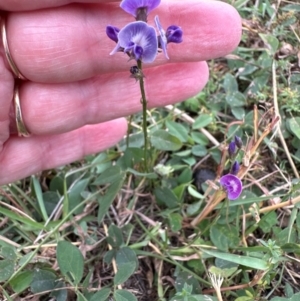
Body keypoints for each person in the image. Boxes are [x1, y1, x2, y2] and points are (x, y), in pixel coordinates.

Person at [0, 0, 241, 185]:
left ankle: (147, 169)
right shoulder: (139, 41)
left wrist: (154, 42)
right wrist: (136, 46)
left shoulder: (144, 40)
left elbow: (144, 47)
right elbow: (138, 48)